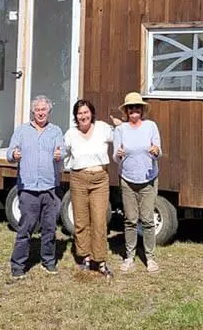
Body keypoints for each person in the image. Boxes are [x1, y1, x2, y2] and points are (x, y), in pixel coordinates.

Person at [6, 95, 65, 280]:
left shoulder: (55, 131)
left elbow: (62, 151)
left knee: (49, 228)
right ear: (33, 112)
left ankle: (48, 261)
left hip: (50, 187)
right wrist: (14, 154)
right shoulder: (22, 131)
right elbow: (9, 153)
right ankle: (18, 265)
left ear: (49, 111)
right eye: (38, 110)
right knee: (26, 228)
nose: (41, 113)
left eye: (44, 110)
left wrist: (59, 154)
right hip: (29, 188)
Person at [64, 99, 114, 279]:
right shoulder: (70, 134)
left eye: (86, 112)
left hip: (100, 179)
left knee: (99, 220)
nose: (83, 116)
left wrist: (122, 124)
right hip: (78, 179)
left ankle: (100, 260)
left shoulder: (102, 128)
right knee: (81, 220)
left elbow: (121, 136)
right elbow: (64, 153)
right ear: (75, 116)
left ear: (91, 113)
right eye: (79, 113)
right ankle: (85, 257)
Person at [113, 92, 162, 273]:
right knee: (130, 220)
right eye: (130, 108)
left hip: (148, 179)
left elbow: (159, 151)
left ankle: (150, 258)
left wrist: (156, 150)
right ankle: (129, 257)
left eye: (137, 108)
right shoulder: (120, 130)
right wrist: (118, 155)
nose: (134, 111)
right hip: (127, 180)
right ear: (126, 111)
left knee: (148, 220)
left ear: (142, 110)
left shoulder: (151, 126)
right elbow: (115, 157)